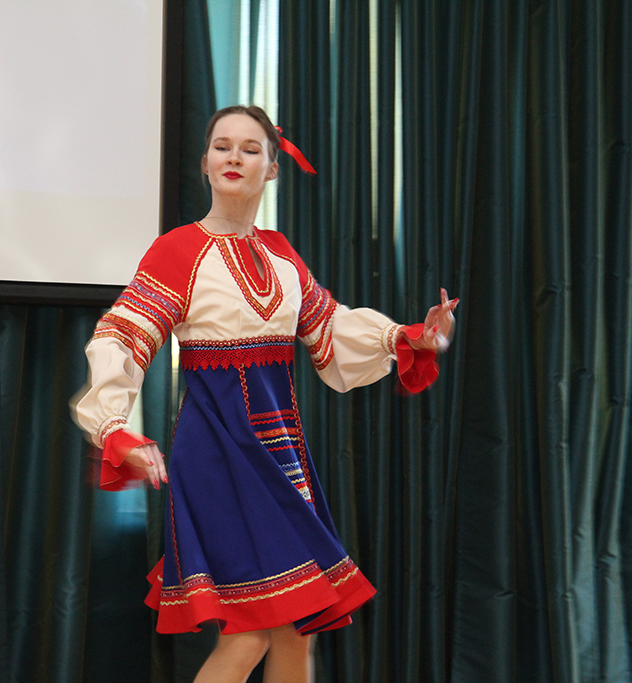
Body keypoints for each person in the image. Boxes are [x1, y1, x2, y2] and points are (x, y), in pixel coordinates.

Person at [73, 105, 458, 683]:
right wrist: (113, 426)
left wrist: (411, 337)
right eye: (222, 146)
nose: (234, 157)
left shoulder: (281, 255)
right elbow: (121, 336)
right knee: (249, 634)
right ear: (205, 163)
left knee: (298, 631)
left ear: (272, 168)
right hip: (217, 453)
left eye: (250, 149)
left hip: (282, 454)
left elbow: (331, 332)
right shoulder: (178, 251)